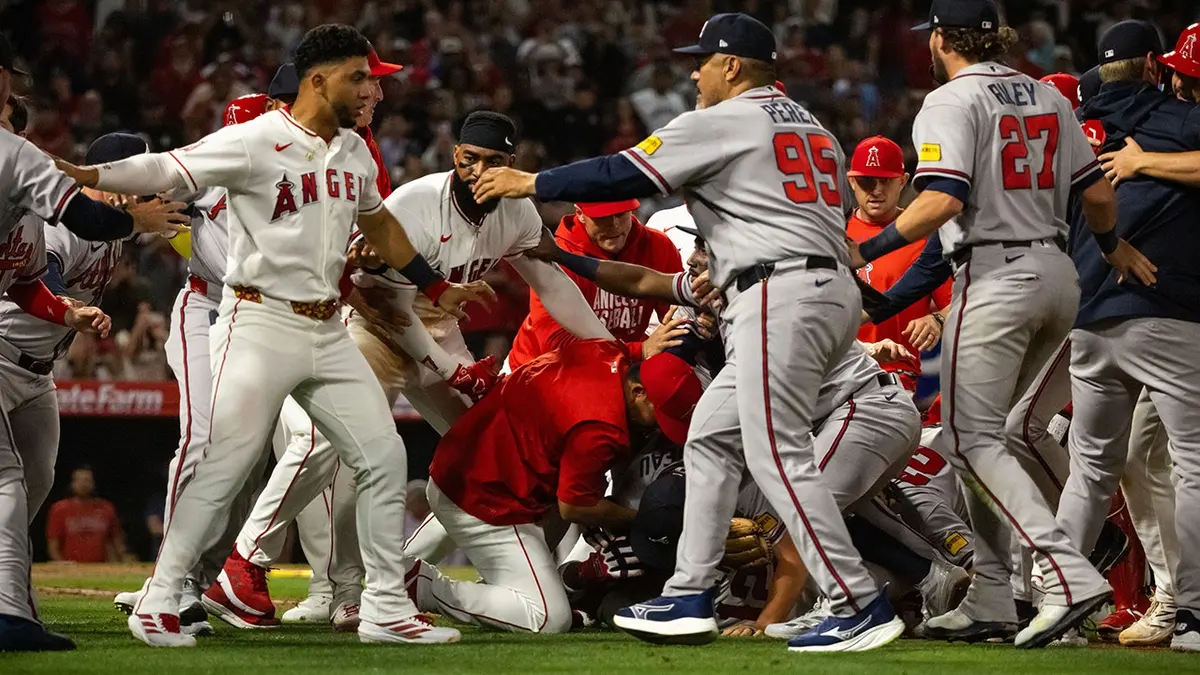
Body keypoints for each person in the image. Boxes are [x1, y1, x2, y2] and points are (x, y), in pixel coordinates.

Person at [474, 12, 906, 652]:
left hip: (777, 291)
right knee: (710, 436)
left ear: (732, 65)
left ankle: (858, 600)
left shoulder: (725, 119)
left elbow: (622, 173)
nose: (695, 73)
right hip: (819, 286)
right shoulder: (813, 128)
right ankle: (689, 593)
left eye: (702, 61)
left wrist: (530, 181)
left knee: (775, 453)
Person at [55, 24, 493, 648]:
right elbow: (165, 167)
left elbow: (382, 226)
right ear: (319, 80)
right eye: (359, 76)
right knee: (226, 461)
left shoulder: (354, 152)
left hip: (328, 328)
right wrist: (82, 170)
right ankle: (160, 598)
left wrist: (436, 287)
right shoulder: (255, 139)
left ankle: (385, 609)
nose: (371, 88)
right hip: (258, 320)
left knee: (383, 454)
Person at [206, 110, 613, 632]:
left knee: (497, 446)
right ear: (455, 156)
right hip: (373, 332)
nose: (479, 171)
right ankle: (245, 563)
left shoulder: (516, 210)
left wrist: (606, 348)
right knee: (325, 442)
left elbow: (551, 283)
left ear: (513, 164)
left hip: (438, 333)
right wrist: (450, 369)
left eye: (493, 161)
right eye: (470, 159)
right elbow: (390, 310)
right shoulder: (416, 204)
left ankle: (474, 573)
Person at [850, 0, 1156, 648]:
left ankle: (1066, 572)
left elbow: (941, 196)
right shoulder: (1049, 97)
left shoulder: (951, 99)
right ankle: (991, 594)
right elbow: (1097, 194)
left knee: (970, 438)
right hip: (1058, 276)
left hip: (993, 276)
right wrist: (1109, 248)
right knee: (988, 438)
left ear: (941, 39)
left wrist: (868, 250)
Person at [1053, 20, 1200, 653]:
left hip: (1088, 313)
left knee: (1095, 467)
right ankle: (1192, 611)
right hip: (1166, 311)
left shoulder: (1074, 123)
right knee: (1191, 466)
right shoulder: (1176, 118)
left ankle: (1055, 604)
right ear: (1150, 66)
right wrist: (1149, 162)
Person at [110, 95, 273, 636]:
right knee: (201, 437)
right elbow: (147, 185)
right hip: (204, 306)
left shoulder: (291, 177)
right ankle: (167, 578)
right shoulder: (205, 168)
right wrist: (142, 214)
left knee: (247, 458)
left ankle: (198, 581)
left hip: (266, 320)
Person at [406, 345, 699, 634]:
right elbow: (574, 506)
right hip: (487, 497)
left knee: (577, 491)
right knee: (548, 617)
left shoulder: (606, 350)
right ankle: (424, 586)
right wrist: (641, 521)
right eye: (659, 413)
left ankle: (420, 574)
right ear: (637, 391)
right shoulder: (601, 426)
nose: (660, 425)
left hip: (472, 463)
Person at [505, 199, 685, 370]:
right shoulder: (556, 256)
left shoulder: (658, 245)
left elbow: (679, 314)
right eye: (602, 217)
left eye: (621, 214)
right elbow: (556, 344)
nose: (614, 225)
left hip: (620, 362)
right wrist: (638, 350)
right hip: (538, 368)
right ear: (580, 214)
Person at [847, 135, 951, 392]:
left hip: (896, 377)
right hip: (836, 370)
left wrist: (937, 318)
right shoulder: (831, 234)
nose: (876, 190)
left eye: (885, 180)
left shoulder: (926, 240)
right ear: (851, 181)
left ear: (903, 181)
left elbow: (963, 301)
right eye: (867, 181)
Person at [45, 467, 130, 563]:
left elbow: (116, 540)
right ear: (72, 483)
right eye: (79, 480)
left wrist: (123, 558)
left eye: (87, 480)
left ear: (93, 483)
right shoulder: (59, 509)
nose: (83, 484)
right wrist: (63, 565)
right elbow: (53, 545)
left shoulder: (106, 508)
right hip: (71, 568)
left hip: (101, 568)